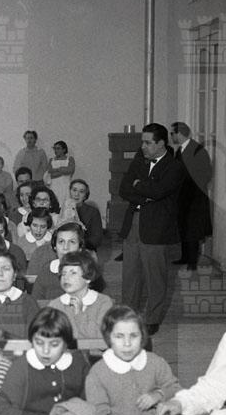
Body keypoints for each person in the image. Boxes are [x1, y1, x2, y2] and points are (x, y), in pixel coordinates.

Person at [119, 122, 185, 336]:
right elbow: (123, 189)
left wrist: (139, 185)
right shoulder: (139, 160)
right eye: (143, 142)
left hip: (157, 228)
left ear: (161, 143)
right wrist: (144, 195)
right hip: (133, 223)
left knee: (155, 276)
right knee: (130, 275)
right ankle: (128, 315)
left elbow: (159, 191)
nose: (143, 146)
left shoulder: (174, 167)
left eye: (148, 143)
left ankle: (152, 318)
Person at [170, 122, 212, 271]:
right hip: (182, 198)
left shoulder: (198, 150)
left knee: (193, 231)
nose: (171, 137)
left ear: (179, 134)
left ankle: (192, 262)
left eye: (172, 133)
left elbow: (206, 173)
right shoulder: (179, 151)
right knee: (183, 227)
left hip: (195, 198)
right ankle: (185, 257)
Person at [48, 251, 113, 340]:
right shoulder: (55, 305)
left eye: (73, 273)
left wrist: (79, 314)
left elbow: (101, 339)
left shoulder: (103, 303)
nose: (66, 278)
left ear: (88, 278)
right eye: (63, 273)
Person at [69, 179, 103, 252]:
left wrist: (78, 245)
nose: (76, 194)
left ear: (85, 196)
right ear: (70, 192)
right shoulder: (62, 210)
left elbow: (97, 239)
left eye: (81, 192)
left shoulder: (93, 212)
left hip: (86, 249)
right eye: (74, 190)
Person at [45, 141, 75, 208]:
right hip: (54, 186)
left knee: (66, 205)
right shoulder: (51, 160)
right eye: (55, 148)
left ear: (64, 149)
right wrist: (63, 170)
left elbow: (70, 170)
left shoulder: (70, 159)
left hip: (66, 186)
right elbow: (50, 172)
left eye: (58, 148)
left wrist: (56, 170)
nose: (56, 150)